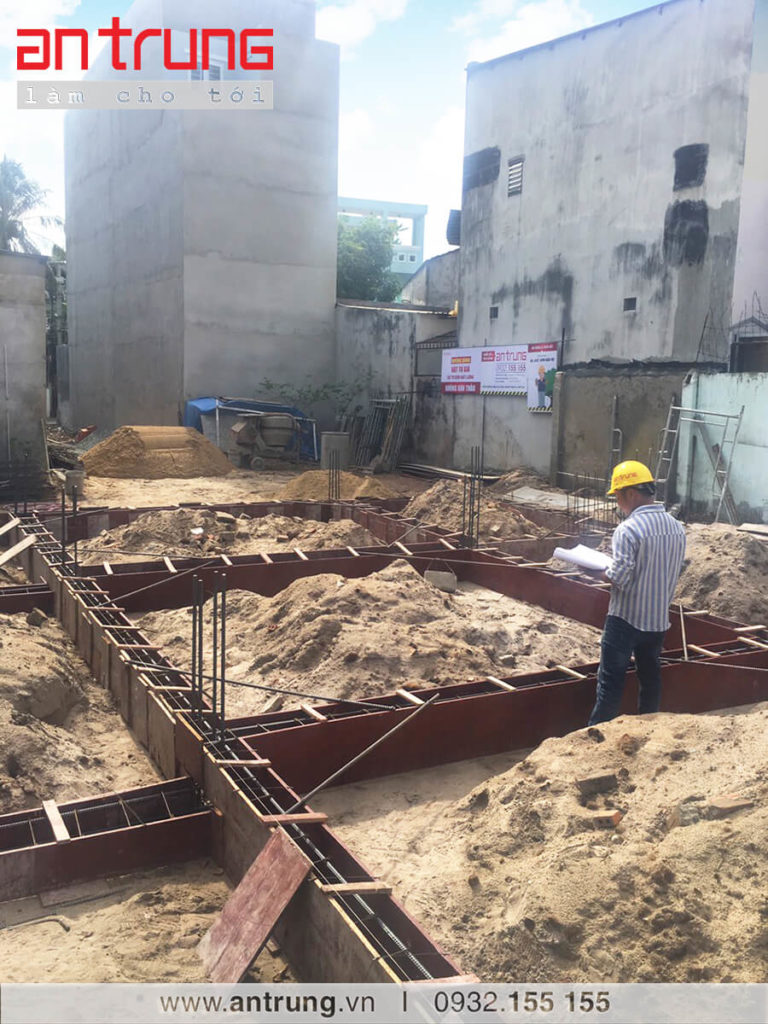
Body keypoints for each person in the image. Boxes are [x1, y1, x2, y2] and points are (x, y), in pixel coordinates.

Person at [588, 460, 686, 725]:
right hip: (657, 621)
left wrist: (592, 571)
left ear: (631, 494)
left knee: (610, 687)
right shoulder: (676, 527)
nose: (617, 503)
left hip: (625, 620)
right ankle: (648, 731)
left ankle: (597, 738)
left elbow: (618, 578)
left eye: (618, 496)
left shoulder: (628, 530)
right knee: (651, 681)